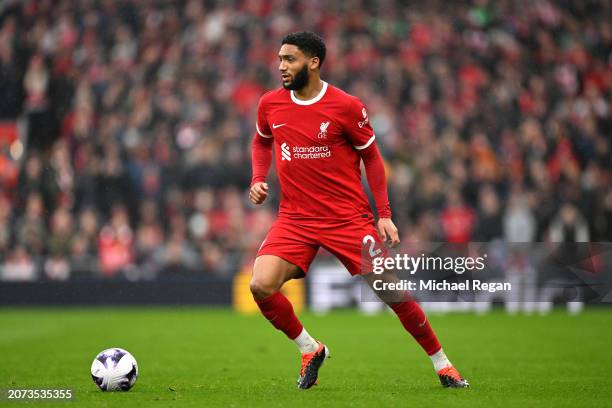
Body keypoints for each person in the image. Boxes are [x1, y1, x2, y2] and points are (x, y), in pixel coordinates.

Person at [249, 31, 469, 389]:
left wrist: (383, 213)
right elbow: (262, 141)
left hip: (347, 220)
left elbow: (372, 157)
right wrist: (258, 178)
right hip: (295, 219)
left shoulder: (346, 106)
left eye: (289, 59)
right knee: (261, 285)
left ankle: (443, 364)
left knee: (392, 291)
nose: (281, 66)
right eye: (279, 59)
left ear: (313, 62)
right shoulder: (270, 104)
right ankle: (310, 349)